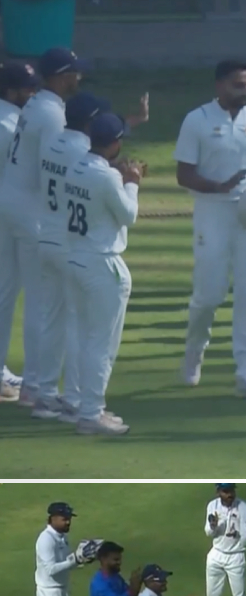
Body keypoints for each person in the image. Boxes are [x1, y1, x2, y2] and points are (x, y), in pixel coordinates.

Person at [174, 60, 246, 399]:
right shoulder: (196, 120)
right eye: (236, 85)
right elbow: (183, 174)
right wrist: (217, 187)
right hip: (211, 211)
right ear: (219, 86)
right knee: (210, 295)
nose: (243, 92)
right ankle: (194, 352)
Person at [0, 48, 83, 408]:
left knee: (5, 292)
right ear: (62, 76)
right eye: (75, 73)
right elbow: (53, 169)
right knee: (41, 299)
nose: (78, 78)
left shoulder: (34, 107)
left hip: (8, 200)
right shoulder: (50, 112)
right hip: (30, 209)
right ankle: (35, 386)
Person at [64, 112, 142, 436]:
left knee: (86, 338)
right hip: (102, 262)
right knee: (101, 342)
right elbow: (129, 215)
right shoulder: (107, 177)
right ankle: (91, 413)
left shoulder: (75, 167)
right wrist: (133, 183)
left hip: (76, 257)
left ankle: (87, 406)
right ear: (114, 143)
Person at [32, 92, 107, 423]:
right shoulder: (82, 152)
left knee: (52, 319)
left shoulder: (52, 143)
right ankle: (75, 398)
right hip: (68, 241)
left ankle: (45, 395)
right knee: (80, 323)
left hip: (44, 234)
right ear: (91, 122)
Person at [0, 61, 39, 401]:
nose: (33, 93)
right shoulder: (7, 125)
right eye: (27, 88)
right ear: (11, 90)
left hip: (8, 215)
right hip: (5, 215)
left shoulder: (13, 120)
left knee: (6, 291)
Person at [204, 483, 246, 596]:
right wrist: (213, 525)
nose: (230, 494)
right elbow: (208, 532)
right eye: (226, 491)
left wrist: (241, 533)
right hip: (216, 554)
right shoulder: (212, 506)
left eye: (232, 491)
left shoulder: (244, 507)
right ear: (218, 492)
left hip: (236, 556)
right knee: (212, 594)